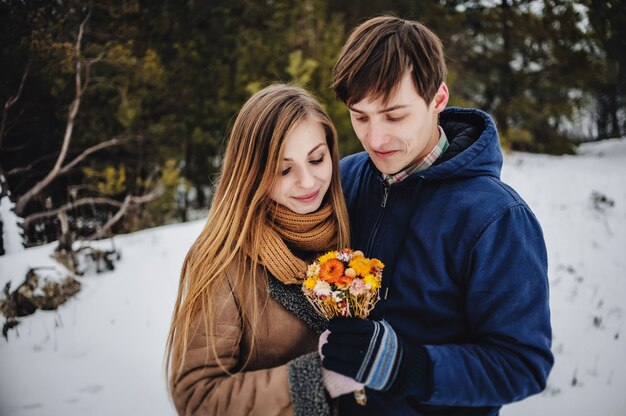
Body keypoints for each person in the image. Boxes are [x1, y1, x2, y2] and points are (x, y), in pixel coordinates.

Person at [318, 16, 554, 415]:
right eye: (361, 117)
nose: (376, 139)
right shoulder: (346, 177)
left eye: (395, 115)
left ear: (438, 99)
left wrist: (407, 367)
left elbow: (523, 365)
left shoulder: (496, 218)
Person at [165, 84, 360, 415]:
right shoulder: (223, 261)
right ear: (252, 172)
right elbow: (196, 395)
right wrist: (317, 379)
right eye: (284, 169)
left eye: (316, 159)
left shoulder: (351, 225)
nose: (308, 181)